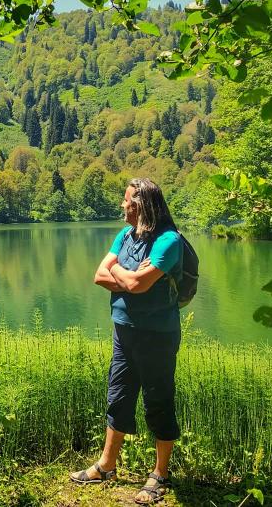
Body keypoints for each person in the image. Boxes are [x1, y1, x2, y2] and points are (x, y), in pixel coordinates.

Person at [70, 178, 183, 505]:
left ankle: (160, 473)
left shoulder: (168, 241)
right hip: (124, 331)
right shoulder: (125, 235)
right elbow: (100, 276)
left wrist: (124, 275)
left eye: (127, 201)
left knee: (158, 401)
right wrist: (129, 278)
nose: (122, 205)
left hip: (157, 335)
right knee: (118, 397)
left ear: (142, 205)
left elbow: (133, 282)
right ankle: (107, 466)